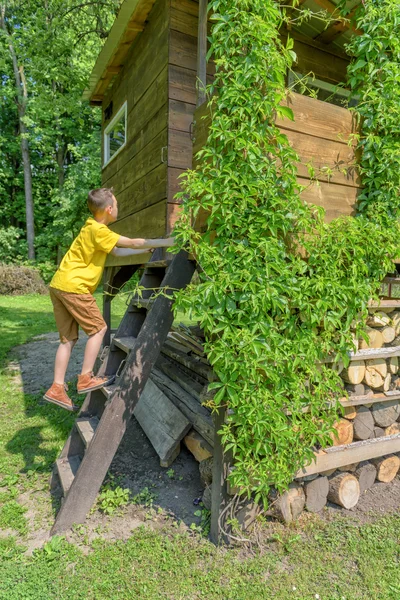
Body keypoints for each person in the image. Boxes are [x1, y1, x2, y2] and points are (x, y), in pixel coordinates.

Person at [43, 187, 173, 411]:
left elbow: (117, 252)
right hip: (75, 287)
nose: (118, 209)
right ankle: (85, 378)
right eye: (117, 205)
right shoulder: (100, 230)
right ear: (109, 208)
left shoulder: (90, 228)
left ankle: (56, 388)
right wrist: (167, 243)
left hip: (59, 285)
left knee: (67, 340)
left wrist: (148, 249)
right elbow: (131, 242)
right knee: (98, 329)